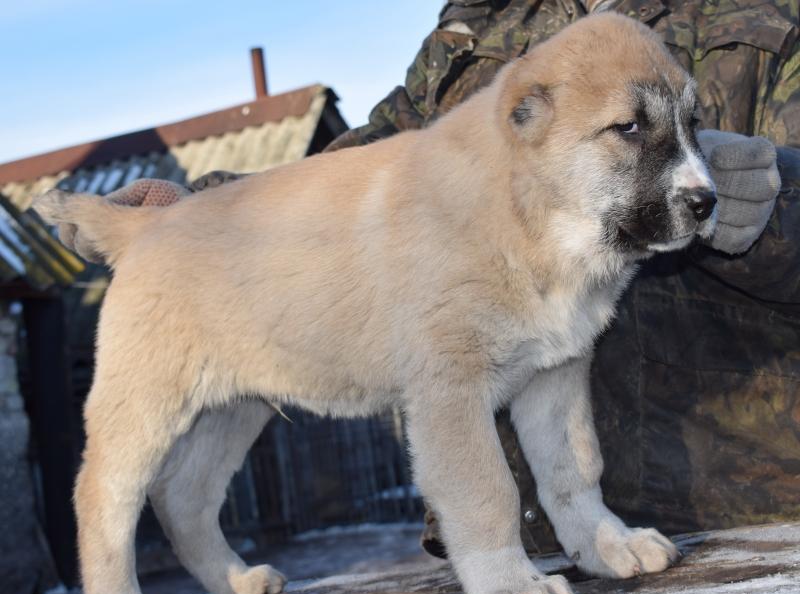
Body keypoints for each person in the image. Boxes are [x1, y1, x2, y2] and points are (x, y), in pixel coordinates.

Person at [64, 0, 798, 558]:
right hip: (509, 551)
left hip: (736, 533)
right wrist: (200, 213)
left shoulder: (765, 19)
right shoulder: (479, 31)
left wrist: (775, 196)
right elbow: (362, 174)